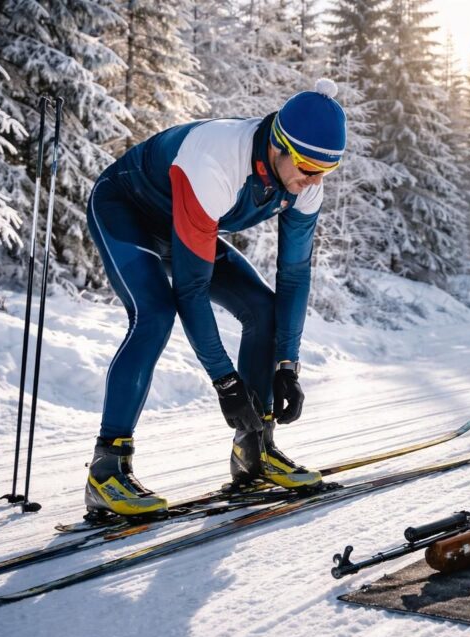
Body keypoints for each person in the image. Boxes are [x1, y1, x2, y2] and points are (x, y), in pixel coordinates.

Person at [82, 79, 346, 518]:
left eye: (325, 172)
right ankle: (107, 468)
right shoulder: (218, 162)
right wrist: (225, 381)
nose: (311, 182)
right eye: (305, 167)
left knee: (263, 309)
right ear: (278, 146)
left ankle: (254, 453)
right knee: (155, 314)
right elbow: (191, 289)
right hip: (126, 210)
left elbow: (295, 274)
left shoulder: (305, 180)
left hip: (187, 223)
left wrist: (287, 365)